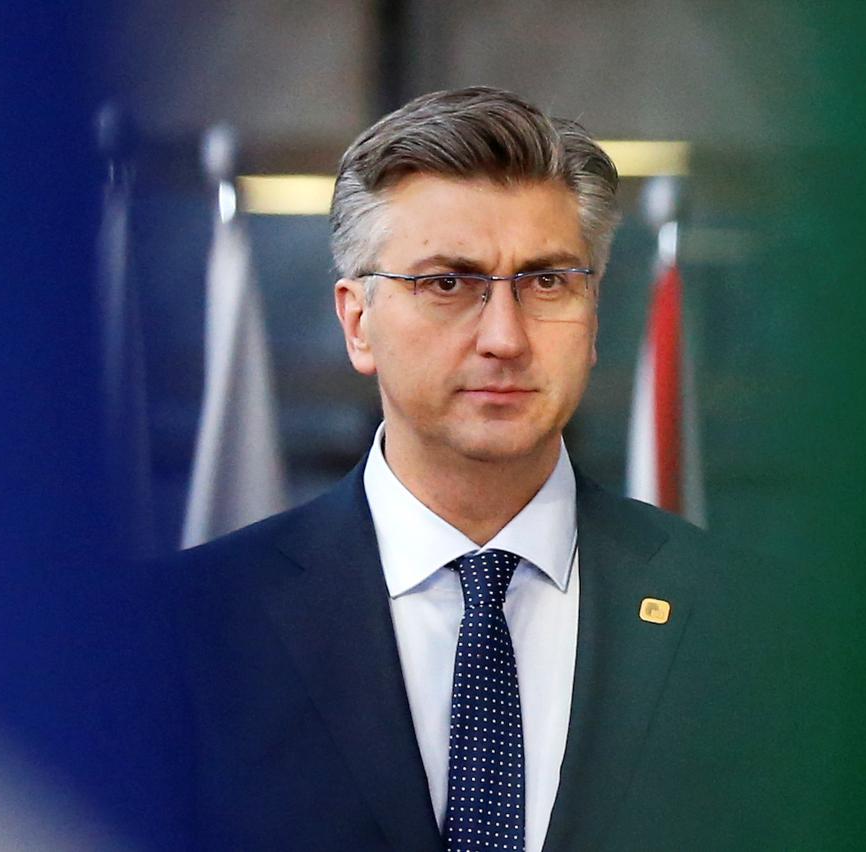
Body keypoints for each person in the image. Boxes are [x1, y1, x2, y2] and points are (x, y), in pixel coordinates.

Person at [168, 87, 741, 851]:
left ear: (594, 315)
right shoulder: (185, 633)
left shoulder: (753, 628)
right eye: (447, 284)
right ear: (357, 322)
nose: (505, 337)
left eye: (547, 282)